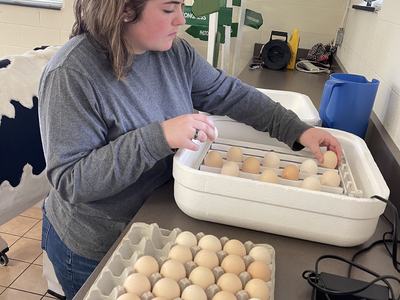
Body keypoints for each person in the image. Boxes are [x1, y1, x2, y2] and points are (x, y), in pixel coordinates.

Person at [38, 0, 342, 298]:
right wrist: (159, 136)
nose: (181, 20)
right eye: (170, 8)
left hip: (154, 217)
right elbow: (71, 181)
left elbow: (231, 94)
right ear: (125, 10)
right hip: (95, 245)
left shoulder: (174, 54)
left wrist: (297, 129)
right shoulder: (71, 74)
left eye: (182, 6)